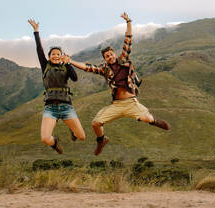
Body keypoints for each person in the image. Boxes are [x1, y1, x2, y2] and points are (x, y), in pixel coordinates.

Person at [68, 12, 170, 156]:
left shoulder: (124, 60)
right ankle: (101, 140)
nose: (109, 57)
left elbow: (128, 40)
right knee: (95, 123)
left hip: (131, 103)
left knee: (147, 118)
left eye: (110, 54)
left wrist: (128, 22)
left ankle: (154, 121)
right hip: (117, 105)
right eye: (106, 56)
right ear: (104, 59)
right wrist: (70, 61)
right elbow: (88, 67)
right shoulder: (104, 69)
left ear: (114, 54)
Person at [28, 19, 85, 154]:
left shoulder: (65, 67)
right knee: (45, 139)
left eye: (58, 54)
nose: (55, 56)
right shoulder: (45, 66)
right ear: (49, 57)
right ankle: (55, 143)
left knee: (82, 136)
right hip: (50, 108)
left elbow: (75, 78)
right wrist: (36, 31)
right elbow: (39, 49)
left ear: (61, 56)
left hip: (66, 106)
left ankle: (73, 130)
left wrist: (68, 63)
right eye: (53, 54)